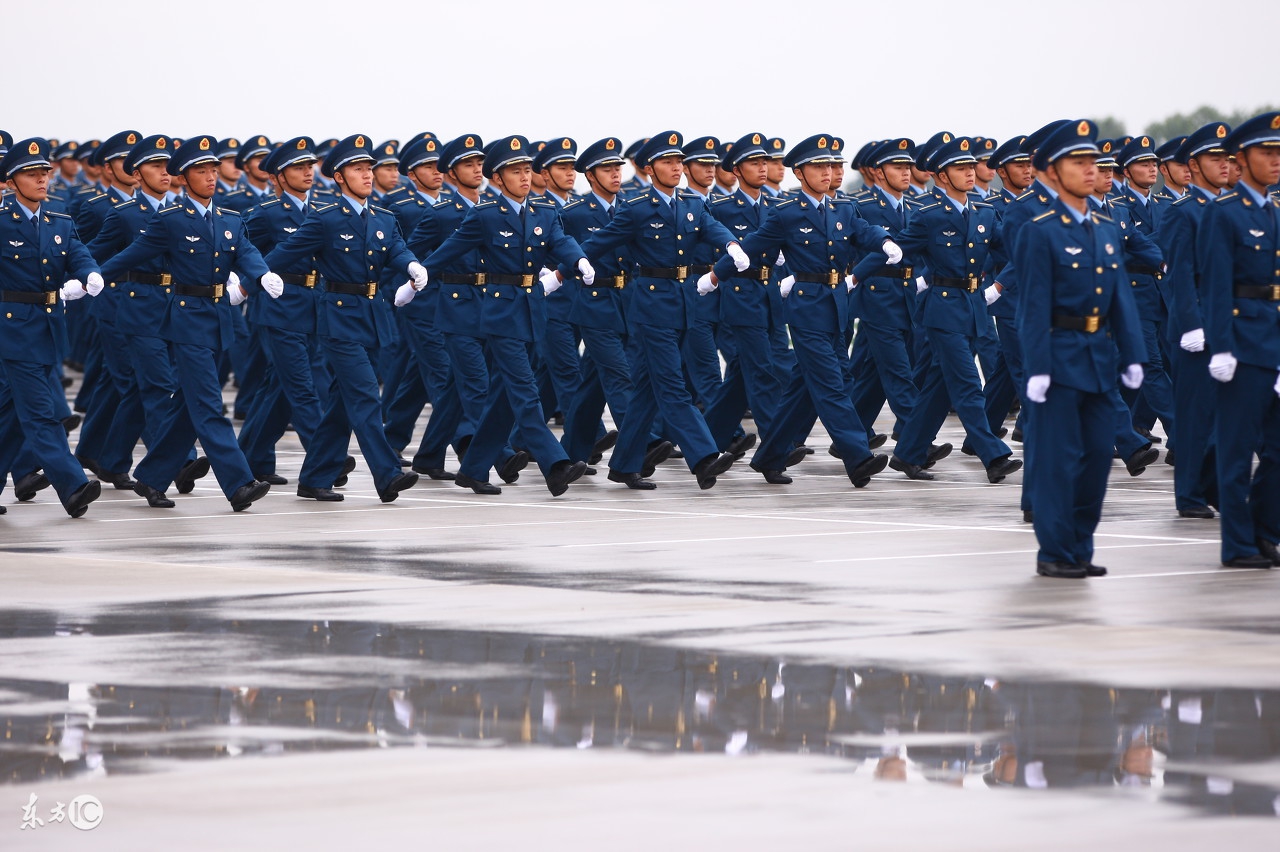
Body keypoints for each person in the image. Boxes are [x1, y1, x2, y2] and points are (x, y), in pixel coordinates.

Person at [703, 133, 897, 488]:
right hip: (806, 307)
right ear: (799, 172)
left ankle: (771, 454)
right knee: (831, 385)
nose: (827, 172)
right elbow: (751, 246)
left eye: (831, 166)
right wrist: (716, 274)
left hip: (837, 304)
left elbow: (863, 232)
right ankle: (858, 457)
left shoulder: (843, 208)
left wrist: (883, 241)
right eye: (818, 167)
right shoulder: (787, 213)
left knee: (805, 389)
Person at [98, 134, 275, 512]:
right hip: (186, 320)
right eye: (201, 171)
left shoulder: (230, 219)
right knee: (209, 405)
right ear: (184, 176)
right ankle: (239, 483)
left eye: (214, 170)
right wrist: (88, 278)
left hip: (217, 318)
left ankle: (151, 476)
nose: (211, 177)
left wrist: (261, 276)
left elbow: (247, 254)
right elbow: (131, 254)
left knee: (186, 407)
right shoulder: (170, 220)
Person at [416, 134, 590, 496]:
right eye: (515, 172)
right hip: (498, 312)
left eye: (527, 170)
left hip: (531, 309)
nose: (525, 177)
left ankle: (474, 468)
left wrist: (579, 260)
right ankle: (554, 464)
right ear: (498, 180)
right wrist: (417, 276)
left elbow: (561, 243)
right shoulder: (484, 216)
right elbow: (447, 252)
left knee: (501, 397)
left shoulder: (543, 211)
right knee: (525, 392)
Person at [1016, 120, 1146, 579]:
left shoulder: (1107, 227)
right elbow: (1031, 306)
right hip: (1057, 356)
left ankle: (1080, 547)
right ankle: (1054, 551)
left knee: (1095, 461)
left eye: (1094, 162)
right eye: (1079, 162)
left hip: (1098, 358)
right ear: (1050, 170)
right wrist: (1036, 367)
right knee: (1057, 460)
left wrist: (1133, 355)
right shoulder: (1040, 230)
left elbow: (1120, 300)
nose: (1091, 170)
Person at [263, 133, 423, 504]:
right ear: (338, 176)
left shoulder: (384, 218)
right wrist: (247, 278)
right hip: (336, 316)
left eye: (369, 168)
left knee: (341, 404)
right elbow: (284, 254)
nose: (368, 175)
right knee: (366, 395)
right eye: (358, 169)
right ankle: (387, 473)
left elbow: (397, 249)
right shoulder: (325, 220)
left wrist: (412, 265)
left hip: (371, 316)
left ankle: (316, 476)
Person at [581, 131, 744, 489]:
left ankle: (624, 465)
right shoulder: (637, 207)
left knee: (644, 391)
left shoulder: (691, 203)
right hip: (651, 304)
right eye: (667, 162)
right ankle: (703, 456)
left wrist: (731, 245)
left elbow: (712, 228)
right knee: (672, 387)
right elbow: (599, 241)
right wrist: (568, 264)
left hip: (685, 301)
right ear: (649, 168)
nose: (675, 167)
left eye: (678, 161)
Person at [876, 136, 1022, 484]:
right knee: (968, 384)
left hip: (973, 308)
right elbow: (894, 252)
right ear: (942, 176)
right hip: (942, 310)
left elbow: (1015, 253)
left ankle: (909, 451)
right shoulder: (927, 216)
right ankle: (993, 455)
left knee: (939, 388)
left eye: (972, 166)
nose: (971, 173)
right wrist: (853, 278)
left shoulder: (984, 212)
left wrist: (999, 286)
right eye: (961, 168)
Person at [0, 137, 104, 517]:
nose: (42, 179)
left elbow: (79, 254)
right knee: (42, 413)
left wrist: (89, 275)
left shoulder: (59, 221)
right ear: (11, 181)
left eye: (44, 171)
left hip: (47, 327)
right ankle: (73, 485)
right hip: (11, 329)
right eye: (31, 173)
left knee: (11, 415)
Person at [1199, 112, 1280, 569]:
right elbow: (1215, 285)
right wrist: (1222, 347)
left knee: (1277, 449)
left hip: (1272, 343)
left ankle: (1266, 530)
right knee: (1235, 451)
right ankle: (1238, 544)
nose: (1275, 161)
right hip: (1242, 346)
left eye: (1278, 153)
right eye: (1266, 153)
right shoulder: (1223, 215)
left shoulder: (1274, 213)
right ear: (1242, 160)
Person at [1161, 122, 1234, 520]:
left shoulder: (1230, 209)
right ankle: (1189, 493)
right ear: (1194, 164)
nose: (1223, 165)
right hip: (1198, 330)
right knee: (1195, 415)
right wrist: (1191, 324)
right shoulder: (1183, 214)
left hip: (1230, 327)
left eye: (1227, 158)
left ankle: (1216, 487)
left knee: (1230, 416)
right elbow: (1179, 275)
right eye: (1213, 158)